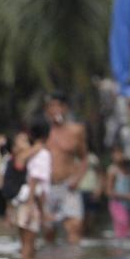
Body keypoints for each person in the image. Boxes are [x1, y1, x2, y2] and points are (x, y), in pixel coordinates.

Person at [44, 92, 88, 244]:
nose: (56, 110)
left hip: (68, 185)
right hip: (47, 186)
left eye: (59, 106)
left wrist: (77, 179)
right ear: (47, 110)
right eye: (52, 106)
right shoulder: (42, 132)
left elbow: (84, 158)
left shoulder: (76, 131)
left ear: (65, 108)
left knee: (75, 226)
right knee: (48, 231)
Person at [10, 117, 52, 259]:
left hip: (24, 201)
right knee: (28, 244)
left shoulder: (30, 153)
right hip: (31, 202)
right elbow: (35, 180)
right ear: (48, 134)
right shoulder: (43, 154)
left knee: (26, 243)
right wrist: (35, 208)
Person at [0, 131, 43, 224]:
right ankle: (44, 213)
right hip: (17, 193)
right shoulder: (20, 157)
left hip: (12, 195)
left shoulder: (10, 159)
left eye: (26, 141)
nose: (25, 144)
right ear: (14, 146)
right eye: (23, 141)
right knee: (39, 189)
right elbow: (38, 147)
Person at [106, 144, 130, 238]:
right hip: (117, 205)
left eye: (121, 153)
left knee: (128, 231)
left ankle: (124, 251)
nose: (120, 156)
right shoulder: (113, 171)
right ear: (112, 156)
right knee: (122, 228)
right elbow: (109, 192)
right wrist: (129, 196)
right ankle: (119, 251)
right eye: (117, 153)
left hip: (129, 205)